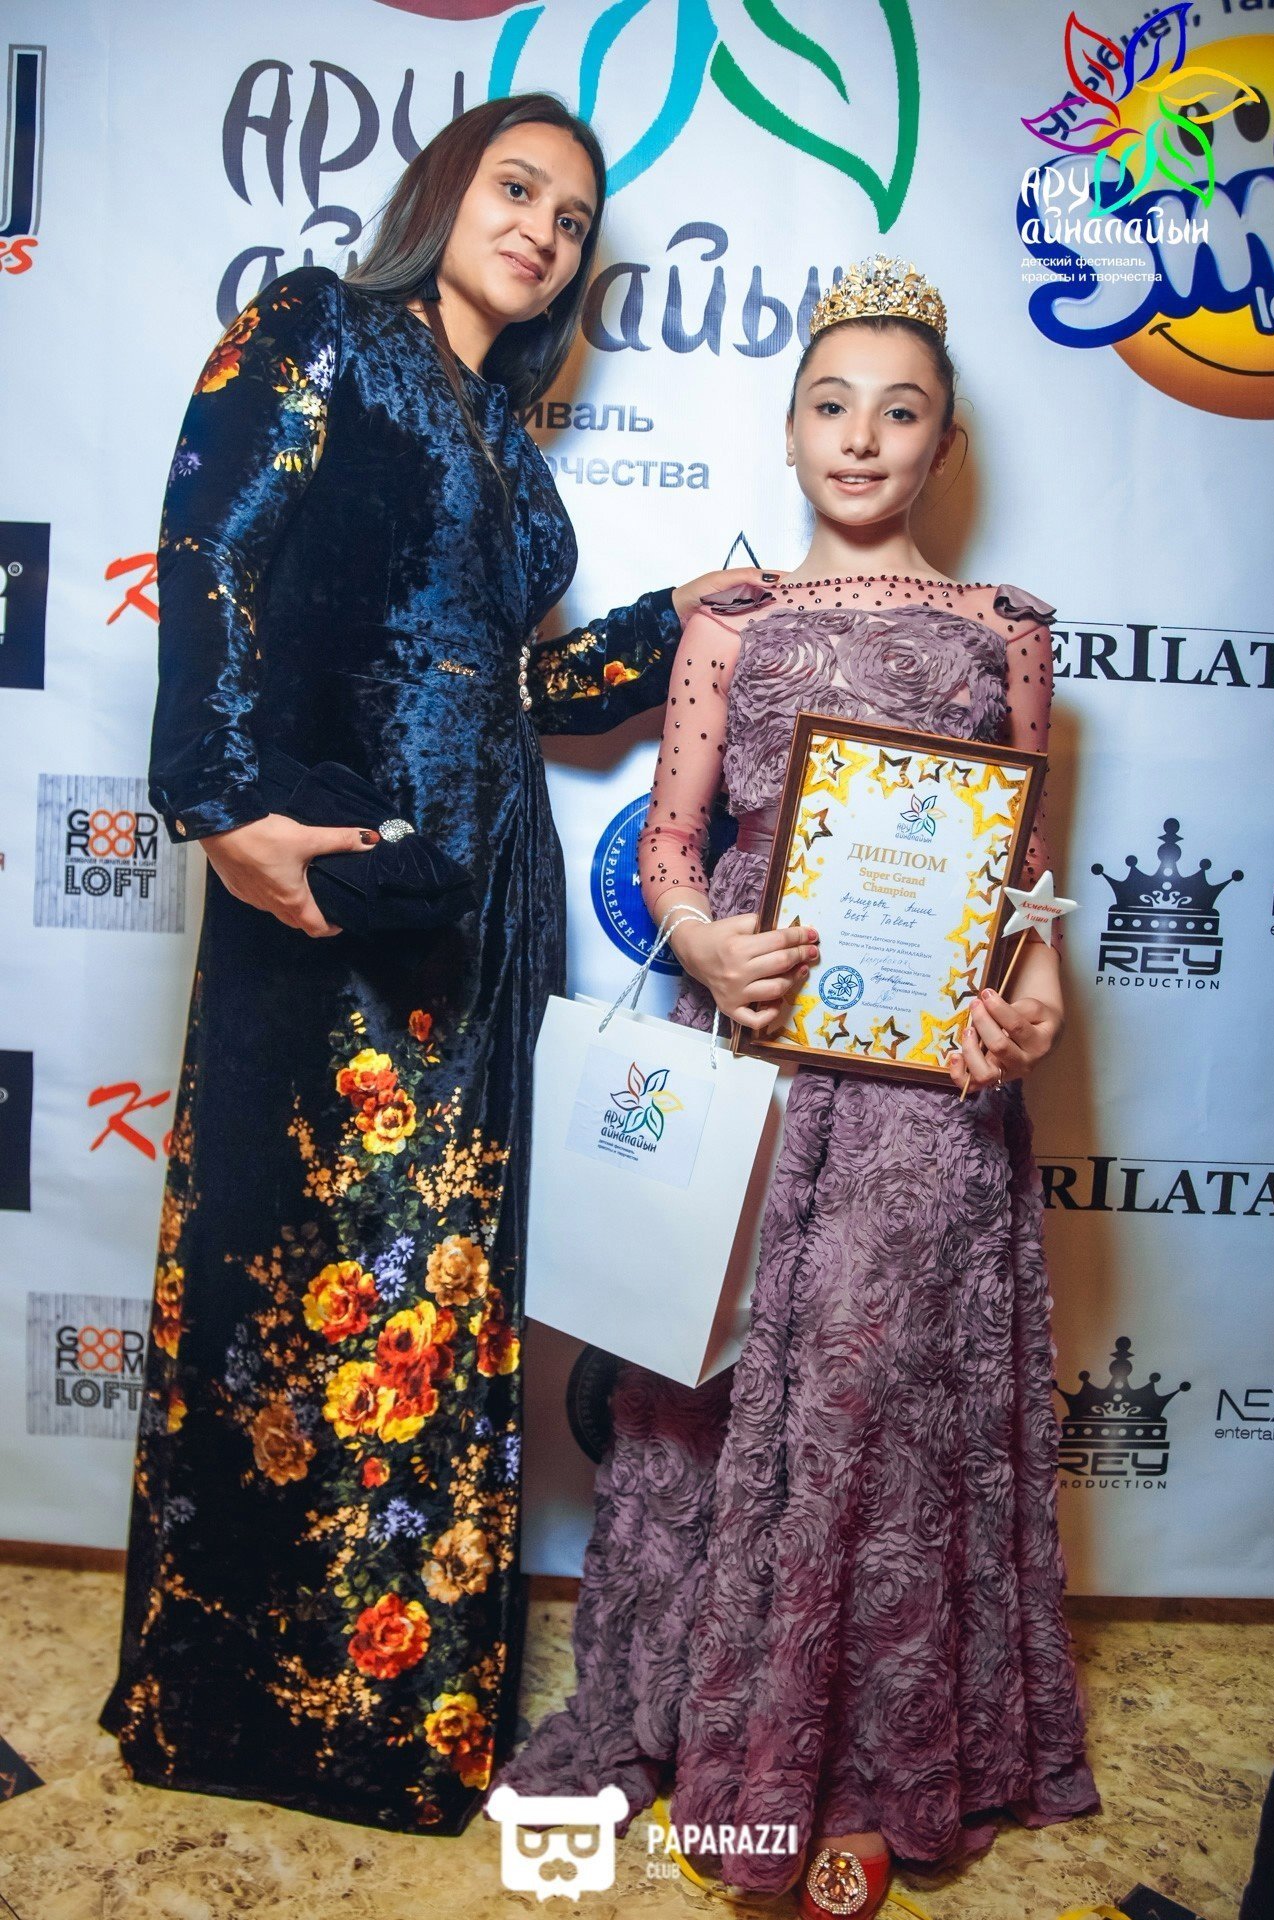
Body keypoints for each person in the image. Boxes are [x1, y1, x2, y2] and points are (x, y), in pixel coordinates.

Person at [99, 92, 761, 1835]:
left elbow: (510, 685)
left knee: (439, 1297)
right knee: (280, 1272)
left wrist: (675, 625)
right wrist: (219, 806)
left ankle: (401, 1710)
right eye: (516, 187)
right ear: (446, 191)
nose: (541, 227)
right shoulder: (320, 325)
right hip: (336, 881)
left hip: (486, 906)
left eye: (572, 217)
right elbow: (212, 553)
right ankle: (238, 1699)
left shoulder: (502, 442)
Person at [490, 257, 1100, 1913]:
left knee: (876, 1403)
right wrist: (702, 941)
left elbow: (1026, 871)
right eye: (833, 404)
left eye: (901, 412)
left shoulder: (1008, 633)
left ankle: (858, 1762)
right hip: (751, 1062)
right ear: (787, 427)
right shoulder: (728, 624)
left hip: (924, 1090)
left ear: (944, 445)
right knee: (718, 1392)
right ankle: (718, 1732)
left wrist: (1037, 988)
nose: (862, 437)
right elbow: (672, 844)